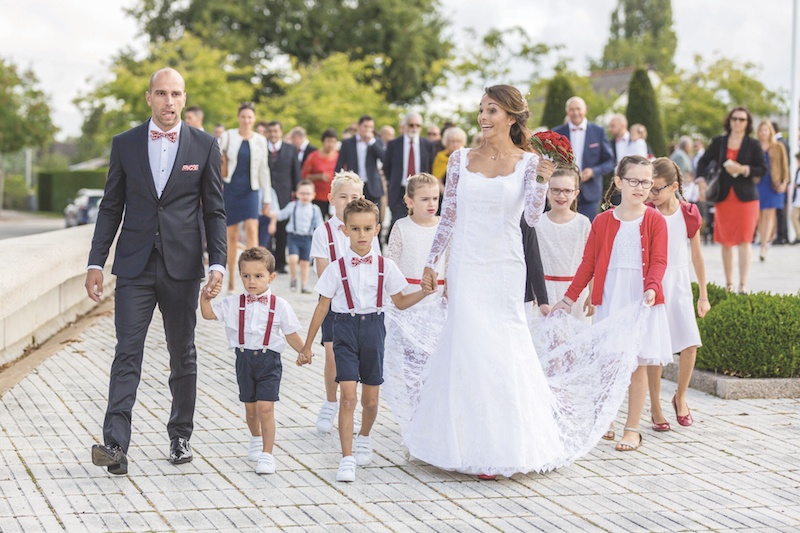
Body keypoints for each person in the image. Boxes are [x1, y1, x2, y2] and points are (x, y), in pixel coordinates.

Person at [397, 85, 641, 478]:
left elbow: (529, 218)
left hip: (505, 264)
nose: (483, 117)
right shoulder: (459, 159)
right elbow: (449, 215)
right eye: (481, 109)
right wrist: (432, 263)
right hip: (465, 262)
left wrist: (542, 181)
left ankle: (505, 443)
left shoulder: (530, 162)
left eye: (492, 110)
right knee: (465, 341)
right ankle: (458, 440)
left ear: (511, 116)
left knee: (503, 343)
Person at [86, 67, 227, 475]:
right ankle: (115, 445)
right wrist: (97, 260)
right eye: (161, 93)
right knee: (127, 352)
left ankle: (180, 436)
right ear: (149, 97)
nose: (169, 101)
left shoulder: (205, 145)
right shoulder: (125, 143)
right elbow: (111, 206)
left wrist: (217, 261)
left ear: (184, 98)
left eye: (176, 94)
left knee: (182, 354)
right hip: (134, 265)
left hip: (183, 267)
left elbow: (214, 210)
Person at [298, 198, 434, 482]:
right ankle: (346, 458)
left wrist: (423, 292)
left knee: (370, 401)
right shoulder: (336, 268)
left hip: (374, 329)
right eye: (355, 229)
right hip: (343, 330)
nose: (361, 235)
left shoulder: (385, 267)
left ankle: (364, 436)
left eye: (367, 229)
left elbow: (399, 301)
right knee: (348, 397)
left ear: (376, 230)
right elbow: (322, 306)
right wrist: (307, 345)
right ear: (345, 231)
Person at [552, 155, 672, 451]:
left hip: (641, 299)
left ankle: (632, 428)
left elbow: (659, 260)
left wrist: (653, 288)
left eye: (646, 182)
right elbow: (588, 264)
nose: (640, 187)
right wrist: (568, 298)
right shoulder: (603, 221)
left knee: (635, 364)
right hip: (611, 296)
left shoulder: (655, 219)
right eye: (633, 181)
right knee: (608, 361)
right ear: (618, 182)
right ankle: (605, 419)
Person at [200, 247, 304, 474]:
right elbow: (208, 314)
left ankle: (268, 454)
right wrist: (204, 298)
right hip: (244, 360)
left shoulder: (280, 305)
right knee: (250, 409)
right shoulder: (233, 303)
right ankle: (256, 438)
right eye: (246, 276)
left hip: (270, 362)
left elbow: (290, 333)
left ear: (271, 277)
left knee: (266, 408)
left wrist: (303, 350)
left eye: (258, 276)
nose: (251, 281)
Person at [309, 172, 382, 434]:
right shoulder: (323, 232)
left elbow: (376, 268)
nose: (348, 201)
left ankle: (350, 405)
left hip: (363, 308)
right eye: (342, 197)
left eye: (354, 196)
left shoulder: (368, 229)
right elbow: (322, 273)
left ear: (361, 199)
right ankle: (330, 401)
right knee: (331, 355)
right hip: (333, 304)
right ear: (330, 199)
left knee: (360, 360)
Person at [646, 158, 710, 431]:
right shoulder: (647, 212)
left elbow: (696, 254)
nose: (652, 194)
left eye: (657, 189)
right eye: (649, 188)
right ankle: (656, 407)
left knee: (690, 343)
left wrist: (703, 294)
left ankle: (680, 397)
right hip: (655, 282)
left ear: (673, 187)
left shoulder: (689, 213)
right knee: (654, 350)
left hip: (681, 282)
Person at [696, 107, 767, 293]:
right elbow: (703, 162)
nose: (737, 122)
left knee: (745, 241)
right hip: (724, 197)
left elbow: (762, 169)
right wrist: (701, 181)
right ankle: (729, 283)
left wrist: (743, 169)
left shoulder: (753, 144)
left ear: (747, 123)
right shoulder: (719, 142)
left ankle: (742, 284)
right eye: (734, 118)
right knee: (726, 241)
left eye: (742, 119)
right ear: (729, 121)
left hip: (747, 199)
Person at [219, 103, 271, 291]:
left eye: (250, 117)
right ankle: (232, 280)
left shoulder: (260, 140)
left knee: (251, 231)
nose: (247, 120)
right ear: (238, 117)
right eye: (243, 117)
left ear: (254, 119)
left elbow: (264, 169)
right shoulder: (228, 136)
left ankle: (254, 279)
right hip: (231, 189)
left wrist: (267, 198)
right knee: (231, 236)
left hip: (252, 190)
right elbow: (216, 160)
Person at [536, 166, 592, 321]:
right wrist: (535, 292)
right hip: (545, 292)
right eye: (555, 190)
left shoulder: (583, 223)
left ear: (576, 193)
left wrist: (592, 294)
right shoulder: (537, 223)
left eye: (567, 191)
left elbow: (591, 261)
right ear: (547, 191)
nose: (561, 195)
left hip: (577, 293)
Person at [553, 96, 615, 220]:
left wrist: (593, 171)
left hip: (590, 191)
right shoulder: (557, 133)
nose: (575, 113)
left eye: (578, 109)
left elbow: (610, 161)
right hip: (563, 192)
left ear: (585, 110)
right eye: (571, 110)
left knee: (588, 231)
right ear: (567, 111)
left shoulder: (598, 132)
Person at [386, 173, 446, 294]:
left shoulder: (444, 227)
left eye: (435, 198)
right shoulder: (401, 226)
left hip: (438, 294)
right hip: (407, 294)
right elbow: (392, 262)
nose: (432, 204)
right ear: (410, 201)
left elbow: (450, 260)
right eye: (425, 199)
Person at [384, 112, 435, 230]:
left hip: (421, 191)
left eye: (418, 125)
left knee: (419, 224)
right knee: (398, 223)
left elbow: (430, 167)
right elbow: (387, 167)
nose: (414, 128)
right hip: (398, 191)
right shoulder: (394, 144)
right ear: (405, 126)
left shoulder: (427, 145)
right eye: (411, 125)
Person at [266, 121, 302, 273]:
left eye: (276, 131)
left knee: (282, 229)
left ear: (281, 132)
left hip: (284, 194)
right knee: (266, 228)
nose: (273, 134)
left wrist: (297, 191)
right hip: (266, 193)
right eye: (271, 131)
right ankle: (267, 262)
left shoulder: (291, 149)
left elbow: (296, 172)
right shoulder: (261, 148)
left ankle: (281, 262)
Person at [276, 180, 324, 293]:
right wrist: (271, 214)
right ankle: (293, 278)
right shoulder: (292, 206)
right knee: (293, 259)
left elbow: (319, 224)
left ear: (313, 195)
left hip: (307, 239)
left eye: (308, 194)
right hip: (293, 237)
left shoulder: (314, 209)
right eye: (302, 193)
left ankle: (304, 285)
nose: (305, 196)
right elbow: (281, 214)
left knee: (304, 263)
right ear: (296, 194)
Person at [755, 121, 789, 261]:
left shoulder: (778, 147)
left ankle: (764, 246)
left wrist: (785, 182)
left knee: (769, 214)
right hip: (758, 183)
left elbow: (785, 166)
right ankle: (763, 239)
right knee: (759, 215)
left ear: (770, 131)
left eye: (766, 130)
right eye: (761, 130)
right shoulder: (755, 147)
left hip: (773, 183)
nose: (764, 133)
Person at [335, 115, 386, 205]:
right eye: (365, 126)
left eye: (370, 127)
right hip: (354, 185)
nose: (367, 129)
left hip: (373, 186)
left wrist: (371, 142)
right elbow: (339, 165)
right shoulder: (347, 143)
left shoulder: (377, 142)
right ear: (358, 126)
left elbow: (384, 159)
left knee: (375, 217)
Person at [302, 128, 339, 218]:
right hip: (316, 196)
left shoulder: (339, 157)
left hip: (333, 196)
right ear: (323, 141)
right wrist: (318, 176)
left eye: (333, 142)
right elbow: (304, 176)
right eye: (328, 141)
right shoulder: (313, 156)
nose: (330, 144)